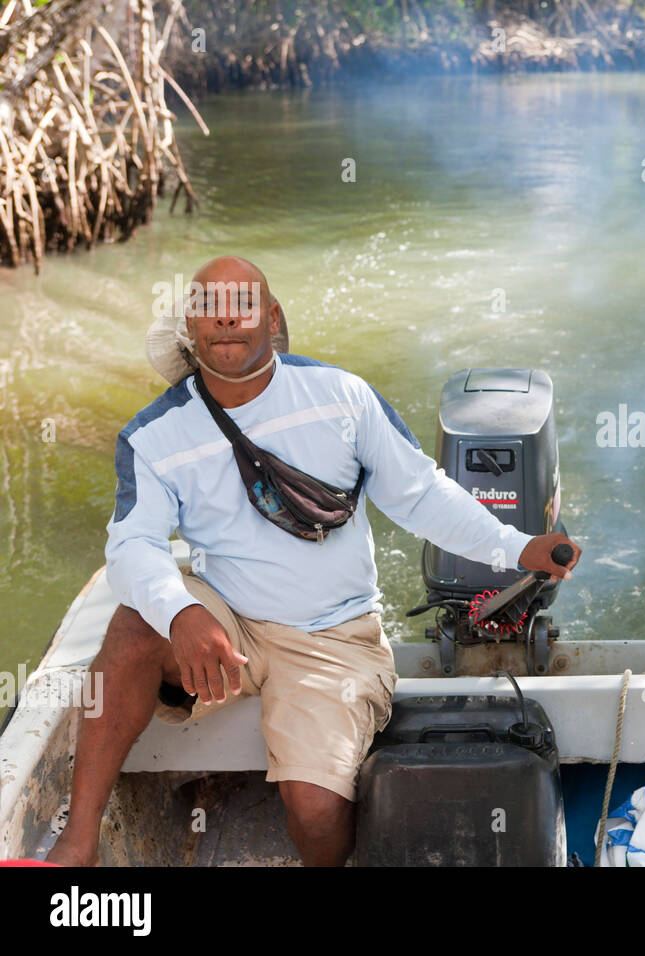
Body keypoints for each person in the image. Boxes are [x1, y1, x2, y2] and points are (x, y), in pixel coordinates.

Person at [46, 256, 580, 866]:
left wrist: (517, 547)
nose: (226, 322)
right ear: (188, 330)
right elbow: (132, 545)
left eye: (242, 305)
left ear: (271, 318)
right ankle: (78, 840)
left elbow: (421, 494)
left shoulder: (341, 397)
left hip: (335, 637)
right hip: (228, 621)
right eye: (207, 310)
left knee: (316, 808)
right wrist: (179, 614)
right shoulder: (154, 434)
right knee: (136, 623)